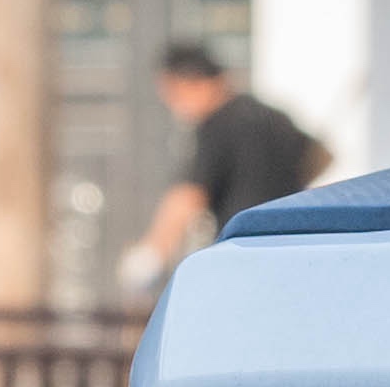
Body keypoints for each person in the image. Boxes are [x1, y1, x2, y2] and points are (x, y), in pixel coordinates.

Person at [129, 42, 319, 289]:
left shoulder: (217, 124)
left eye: (174, 96)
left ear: (190, 82)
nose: (175, 107)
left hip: (244, 254)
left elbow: (189, 195)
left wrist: (150, 256)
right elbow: (321, 157)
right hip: (294, 251)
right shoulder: (272, 117)